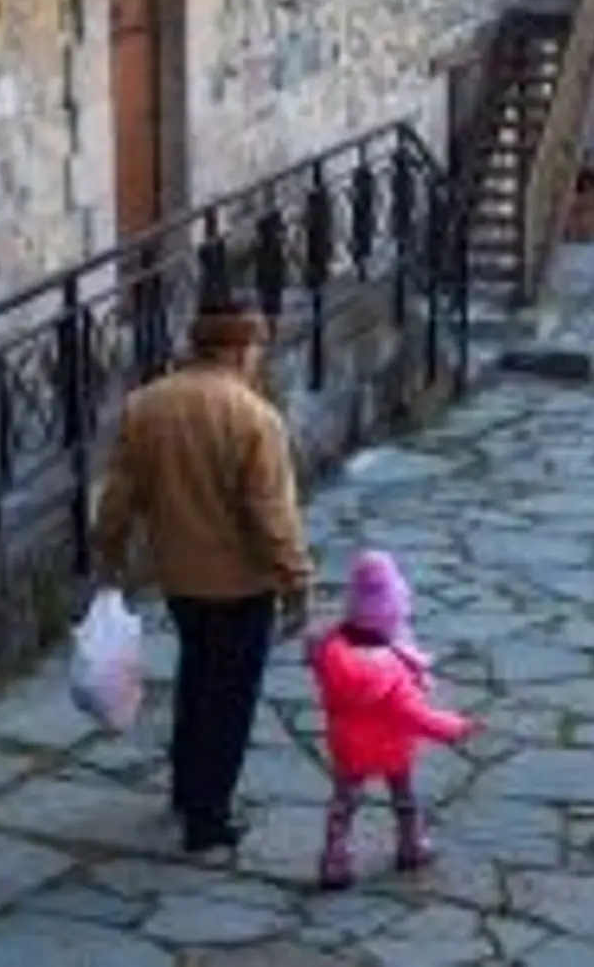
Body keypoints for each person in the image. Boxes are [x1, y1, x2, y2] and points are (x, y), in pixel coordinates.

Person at [91, 305, 314, 854]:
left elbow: (117, 495)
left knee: (196, 681)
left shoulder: (147, 405)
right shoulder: (254, 418)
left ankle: (186, 790)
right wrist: (297, 582)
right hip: (241, 582)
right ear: (240, 349)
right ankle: (208, 816)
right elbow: (271, 516)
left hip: (180, 576)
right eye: (257, 346)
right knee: (229, 699)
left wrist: (109, 558)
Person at [307, 550, 478, 890]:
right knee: (403, 798)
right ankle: (410, 846)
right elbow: (414, 715)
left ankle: (334, 860)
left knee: (344, 803)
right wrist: (455, 727)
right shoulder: (395, 669)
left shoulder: (330, 649)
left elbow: (315, 655)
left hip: (347, 744)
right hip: (392, 745)